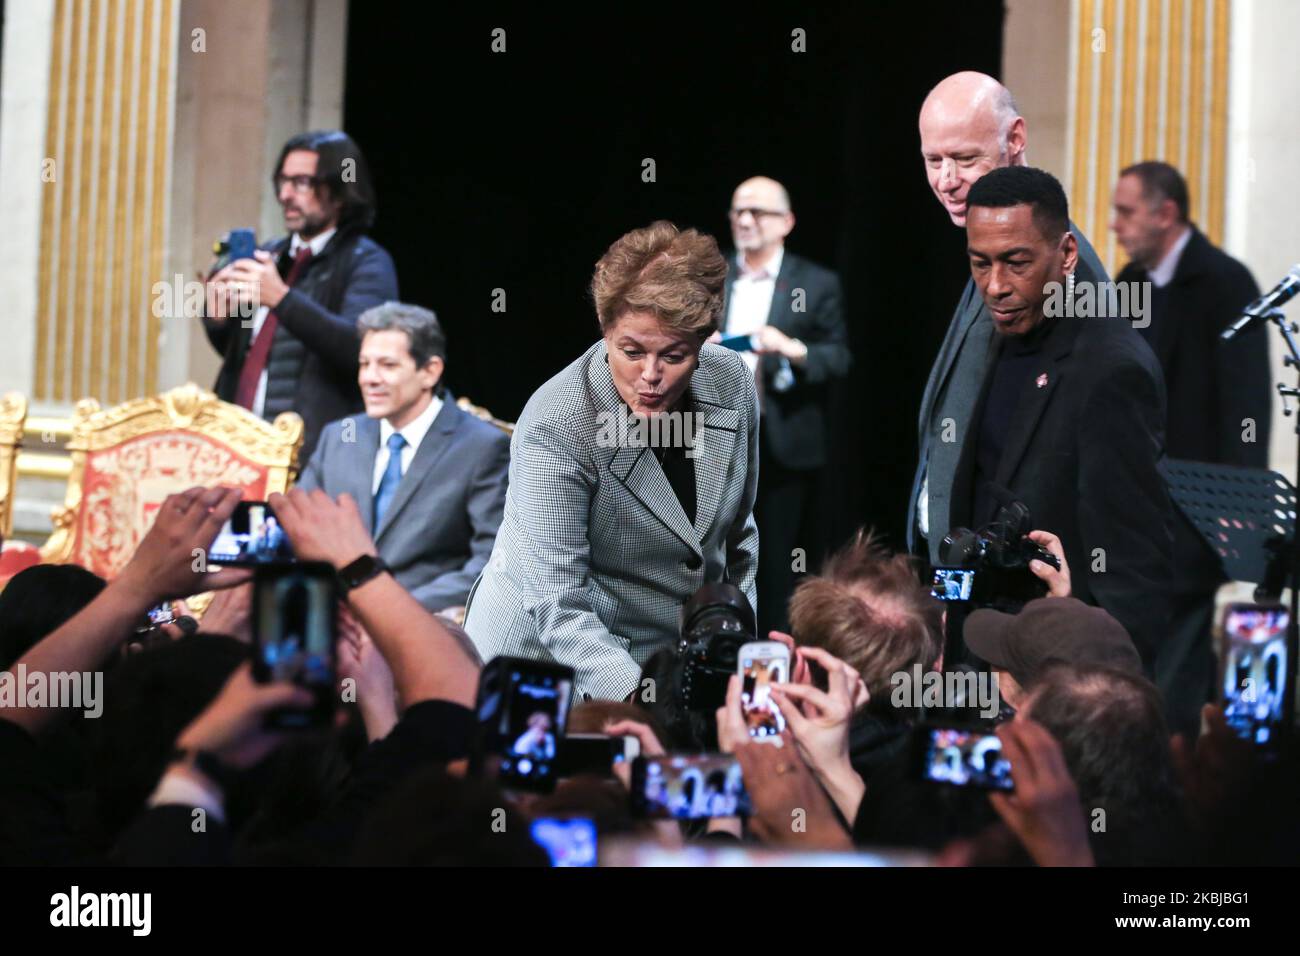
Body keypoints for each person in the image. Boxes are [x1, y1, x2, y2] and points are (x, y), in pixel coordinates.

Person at [464, 221, 759, 702]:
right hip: (543, 663)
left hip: (667, 658)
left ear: (704, 342)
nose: (651, 376)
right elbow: (558, 603)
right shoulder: (558, 420)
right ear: (605, 330)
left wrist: (735, 653)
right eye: (631, 351)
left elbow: (740, 538)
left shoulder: (733, 384)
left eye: (674, 355)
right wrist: (644, 700)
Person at [949, 165, 1172, 669]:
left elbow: (1134, 570)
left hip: (1062, 679)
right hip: (983, 650)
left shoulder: (1113, 369)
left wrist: (1100, 701)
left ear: (1067, 254)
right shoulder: (1002, 335)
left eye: (1016, 262)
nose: (996, 285)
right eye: (980, 263)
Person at [909, 72, 1110, 564]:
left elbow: (1061, 452)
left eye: (964, 159)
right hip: (961, 569)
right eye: (933, 160)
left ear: (1015, 139)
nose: (946, 180)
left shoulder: (1067, 270)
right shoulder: (993, 245)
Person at [1111, 160, 1272, 737]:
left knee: (1180, 647)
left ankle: (1171, 780)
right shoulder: (1129, 284)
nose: (1114, 225)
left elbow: (1247, 404)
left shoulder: (1226, 282)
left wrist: (1238, 503)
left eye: (1125, 212)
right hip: (1135, 509)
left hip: (1198, 505)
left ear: (1166, 213)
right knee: (1147, 648)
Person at [296, 302, 510, 615]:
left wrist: (392, 608)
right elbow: (298, 525)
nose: (369, 377)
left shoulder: (482, 447)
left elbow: (492, 561)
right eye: (364, 364)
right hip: (330, 618)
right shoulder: (340, 436)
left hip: (425, 624)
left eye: (387, 365)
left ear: (430, 371)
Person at [203, 130, 399, 459]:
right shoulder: (270, 256)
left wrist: (281, 298)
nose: (285, 194)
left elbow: (359, 347)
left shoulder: (366, 261)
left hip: (313, 455)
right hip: (238, 447)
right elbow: (246, 353)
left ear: (340, 192)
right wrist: (218, 318)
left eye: (302, 182)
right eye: (283, 181)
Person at [718, 176, 852, 634]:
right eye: (738, 211)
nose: (746, 220)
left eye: (758, 212)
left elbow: (838, 357)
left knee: (774, 563)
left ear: (787, 222)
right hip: (711, 442)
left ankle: (767, 661)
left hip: (781, 446)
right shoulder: (712, 275)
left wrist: (792, 349)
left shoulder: (815, 283)